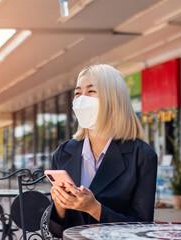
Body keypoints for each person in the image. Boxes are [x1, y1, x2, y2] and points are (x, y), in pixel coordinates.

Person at [48, 64, 157, 237]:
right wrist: (60, 205)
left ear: (114, 99)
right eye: (77, 93)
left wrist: (94, 208)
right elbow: (55, 231)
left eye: (91, 92)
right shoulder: (63, 152)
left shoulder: (142, 155)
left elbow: (142, 228)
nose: (81, 99)